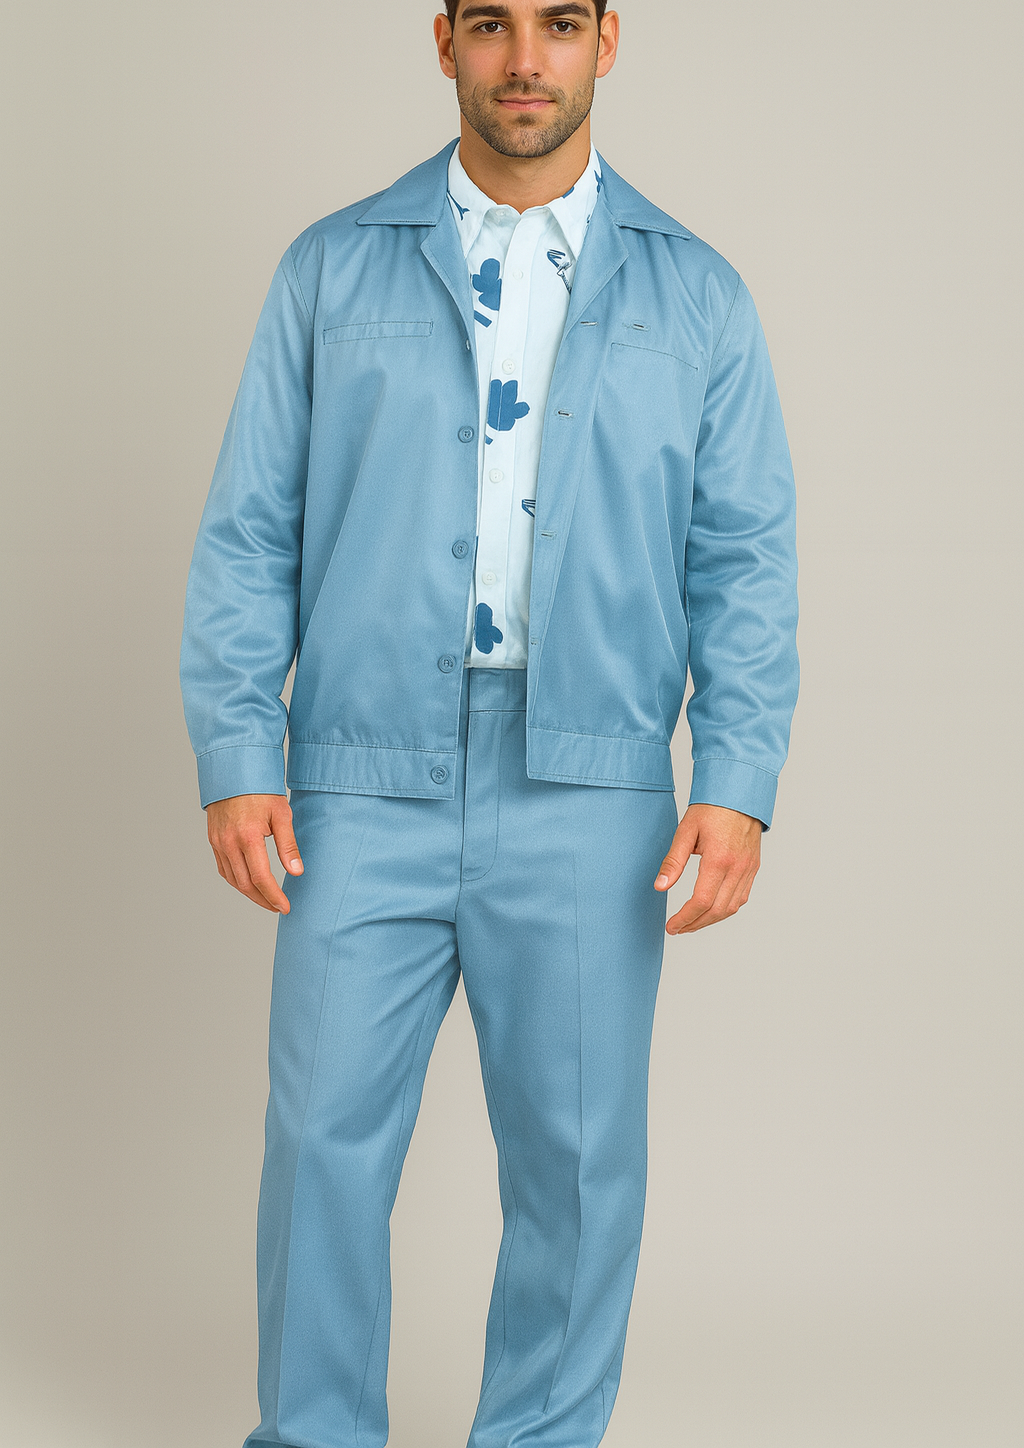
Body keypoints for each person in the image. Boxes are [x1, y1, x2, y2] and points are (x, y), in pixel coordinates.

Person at [179, 3, 799, 1445]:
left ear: (607, 44)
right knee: (321, 1146)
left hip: (591, 780)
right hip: (359, 774)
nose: (527, 58)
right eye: (494, 25)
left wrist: (738, 778)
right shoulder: (332, 268)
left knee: (578, 1168)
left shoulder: (699, 295)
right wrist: (238, 750)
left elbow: (745, 556)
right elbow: (250, 530)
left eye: (560, 24)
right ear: (445, 42)